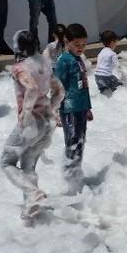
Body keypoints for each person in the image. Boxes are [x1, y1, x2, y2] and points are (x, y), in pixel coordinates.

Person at [0, 30, 64, 226]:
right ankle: (30, 207)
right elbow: (60, 91)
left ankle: (33, 193)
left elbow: (32, 89)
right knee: (28, 164)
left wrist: (26, 115)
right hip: (46, 123)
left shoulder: (20, 68)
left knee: (6, 162)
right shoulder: (45, 64)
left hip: (32, 125)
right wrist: (51, 108)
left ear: (18, 47)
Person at [55, 23, 93, 192]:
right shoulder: (64, 60)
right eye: (77, 44)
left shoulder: (78, 60)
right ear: (67, 41)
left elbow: (83, 86)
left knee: (80, 141)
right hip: (69, 109)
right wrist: (55, 110)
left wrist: (88, 107)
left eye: (84, 44)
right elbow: (57, 86)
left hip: (80, 108)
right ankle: (70, 180)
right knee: (72, 142)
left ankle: (76, 176)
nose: (81, 48)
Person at [94, 30, 125, 95]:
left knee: (104, 93)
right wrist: (123, 77)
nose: (116, 44)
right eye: (116, 41)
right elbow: (118, 67)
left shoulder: (101, 52)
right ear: (112, 42)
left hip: (97, 76)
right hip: (106, 77)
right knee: (120, 86)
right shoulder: (112, 54)